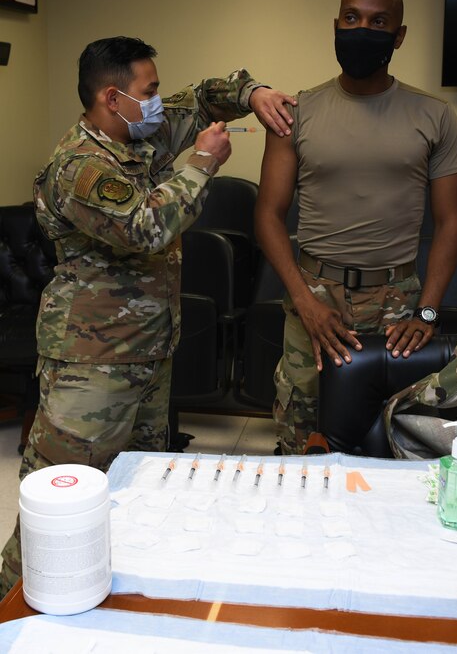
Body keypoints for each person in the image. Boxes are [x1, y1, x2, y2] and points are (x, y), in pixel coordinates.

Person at [0, 36, 295, 597]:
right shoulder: (79, 168)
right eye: (149, 90)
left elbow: (205, 98)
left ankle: (112, 602)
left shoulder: (142, 135)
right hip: (91, 366)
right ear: (114, 97)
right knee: (58, 501)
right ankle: (11, 610)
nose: (160, 101)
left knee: (138, 487)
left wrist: (252, 93)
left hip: (148, 352)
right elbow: (146, 228)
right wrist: (203, 162)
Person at [255, 0, 457, 455]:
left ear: (400, 35)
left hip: (396, 306)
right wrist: (304, 301)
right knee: (301, 437)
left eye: (378, 21)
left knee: (391, 441)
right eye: (351, 18)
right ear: (336, 24)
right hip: (313, 300)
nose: (361, 29)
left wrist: (428, 310)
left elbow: (453, 220)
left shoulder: (434, 116)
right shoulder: (297, 112)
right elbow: (268, 214)